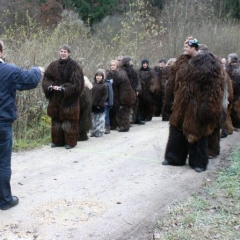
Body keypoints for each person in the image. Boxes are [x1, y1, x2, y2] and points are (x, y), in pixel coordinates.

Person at [162, 36, 224, 172]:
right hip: (180, 105)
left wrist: (209, 108)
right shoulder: (180, 63)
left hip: (197, 106)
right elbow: (171, 84)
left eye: (187, 47)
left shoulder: (208, 64)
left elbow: (214, 88)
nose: (184, 49)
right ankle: (174, 158)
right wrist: (168, 102)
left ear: (194, 48)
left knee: (197, 133)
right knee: (176, 130)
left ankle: (198, 162)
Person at [0, 40, 44, 210]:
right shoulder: (8, 70)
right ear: (2, 51)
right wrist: (37, 69)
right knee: (3, 163)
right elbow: (31, 79)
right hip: (2, 123)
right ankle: (5, 200)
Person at [42, 44, 84, 149]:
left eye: (65, 51)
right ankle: (57, 141)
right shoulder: (53, 65)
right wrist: (50, 86)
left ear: (69, 53)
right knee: (56, 120)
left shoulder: (75, 66)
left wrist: (65, 88)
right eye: (61, 51)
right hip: (55, 98)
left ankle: (70, 142)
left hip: (69, 100)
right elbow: (46, 78)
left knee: (69, 121)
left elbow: (78, 83)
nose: (63, 53)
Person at [106, 60, 136, 132]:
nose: (112, 66)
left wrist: (123, 99)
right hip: (111, 95)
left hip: (120, 96)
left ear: (117, 66)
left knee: (122, 111)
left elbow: (125, 87)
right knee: (112, 111)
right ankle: (112, 125)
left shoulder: (121, 75)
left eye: (114, 65)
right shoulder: (107, 74)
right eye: (111, 65)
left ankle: (123, 126)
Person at [90, 70, 108, 137]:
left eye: (100, 76)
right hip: (92, 104)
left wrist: (101, 104)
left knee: (100, 120)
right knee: (92, 120)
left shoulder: (104, 85)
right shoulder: (92, 84)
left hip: (100, 105)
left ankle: (99, 132)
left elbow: (105, 96)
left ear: (102, 77)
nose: (98, 77)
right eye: (97, 76)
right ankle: (93, 132)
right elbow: (90, 94)